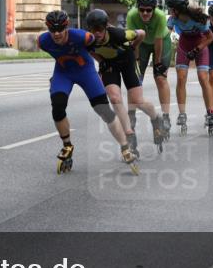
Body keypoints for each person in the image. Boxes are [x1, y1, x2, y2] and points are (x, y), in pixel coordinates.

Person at [37, 10, 138, 174]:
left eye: (60, 30)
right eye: (52, 30)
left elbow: (97, 47)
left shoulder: (83, 37)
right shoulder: (42, 41)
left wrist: (104, 62)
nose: (56, 34)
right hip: (63, 74)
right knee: (58, 107)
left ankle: (125, 147)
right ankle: (67, 146)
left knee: (104, 110)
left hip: (86, 72)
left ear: (66, 27)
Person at [84, 8, 166, 156]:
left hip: (127, 62)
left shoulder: (118, 34)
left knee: (137, 101)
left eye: (100, 29)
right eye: (93, 29)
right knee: (115, 98)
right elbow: (90, 51)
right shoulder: (88, 40)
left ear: (106, 27)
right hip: (110, 65)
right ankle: (129, 134)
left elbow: (141, 33)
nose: (97, 33)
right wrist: (101, 61)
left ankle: (156, 118)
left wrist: (134, 46)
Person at [165, 0, 213, 135]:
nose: (169, 12)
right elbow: (165, 36)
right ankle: (182, 114)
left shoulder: (198, 19)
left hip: (200, 45)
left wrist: (197, 49)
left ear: (177, 10)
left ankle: (210, 112)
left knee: (203, 78)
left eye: (171, 9)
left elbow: (210, 37)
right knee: (181, 78)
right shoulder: (172, 20)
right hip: (183, 45)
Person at [125, 0, 172, 136]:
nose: (145, 13)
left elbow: (158, 41)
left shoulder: (159, 16)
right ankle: (131, 115)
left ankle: (165, 116)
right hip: (142, 44)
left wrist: (157, 63)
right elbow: (134, 41)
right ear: (137, 8)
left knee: (160, 78)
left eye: (148, 10)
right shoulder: (132, 15)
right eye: (142, 10)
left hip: (162, 42)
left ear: (153, 9)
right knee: (135, 80)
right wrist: (137, 60)